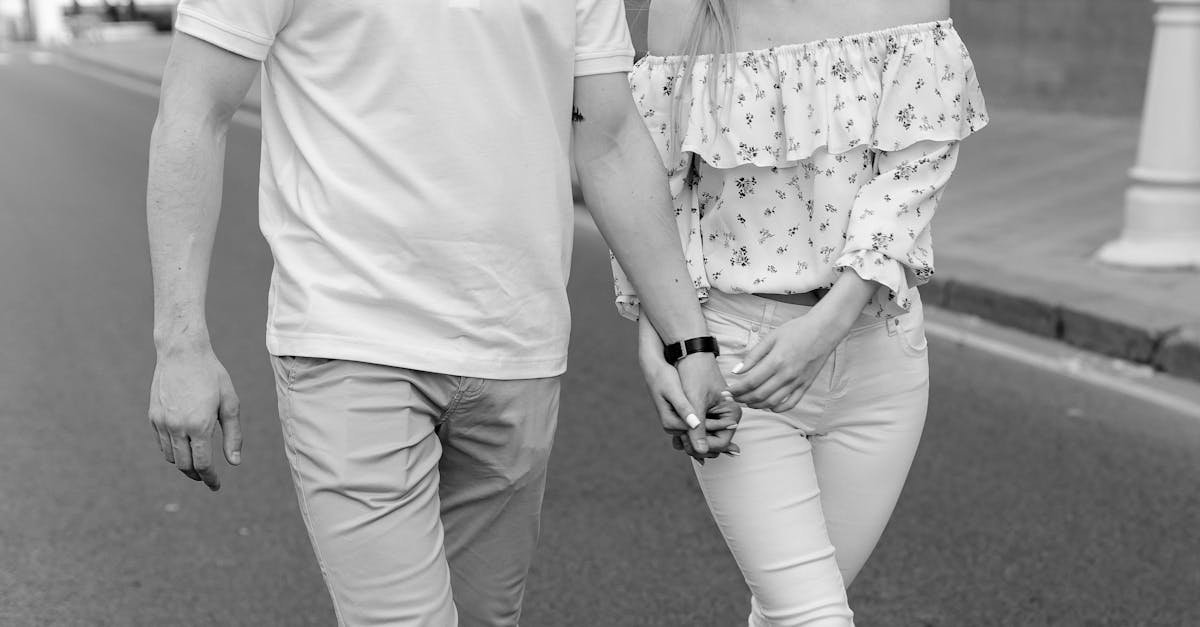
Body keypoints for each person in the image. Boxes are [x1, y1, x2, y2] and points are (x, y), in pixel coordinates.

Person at [144, 1, 741, 625]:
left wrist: (689, 342)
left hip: (520, 348)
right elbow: (194, 110)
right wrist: (180, 344)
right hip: (354, 338)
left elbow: (611, 139)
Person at [613, 0, 988, 624]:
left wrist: (826, 327)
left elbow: (913, 177)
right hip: (738, 357)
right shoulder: (688, 9)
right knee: (811, 617)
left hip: (882, 359)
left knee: (791, 611)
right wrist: (667, 337)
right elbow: (659, 187)